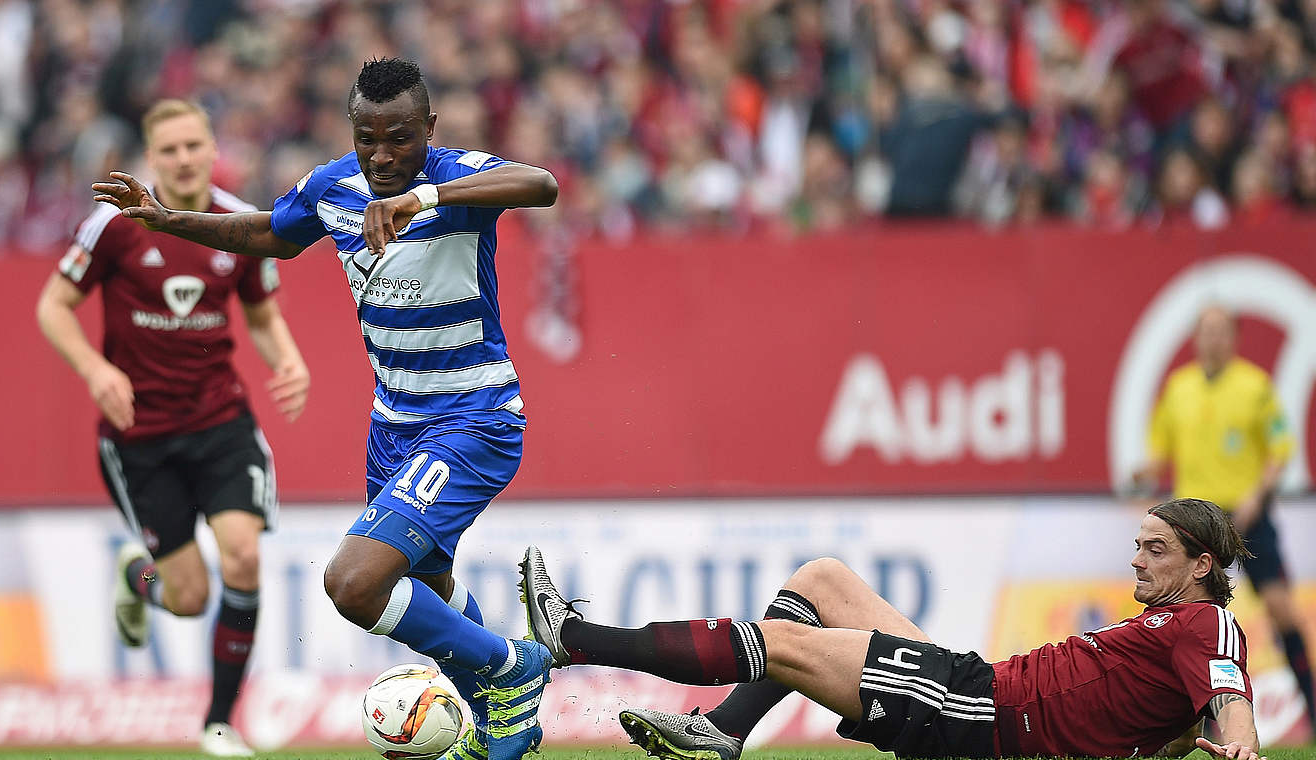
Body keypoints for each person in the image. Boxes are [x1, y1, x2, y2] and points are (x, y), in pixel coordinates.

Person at [89, 57, 558, 760]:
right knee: (426, 591)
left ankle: (510, 669)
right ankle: (502, 724)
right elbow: (269, 235)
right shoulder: (333, 186)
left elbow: (543, 184)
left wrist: (422, 200)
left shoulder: (459, 178)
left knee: (353, 581)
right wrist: (166, 220)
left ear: (429, 129)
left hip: (473, 417)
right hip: (393, 426)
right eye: (367, 138)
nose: (382, 156)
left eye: (400, 137)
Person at [520, 498, 1269, 760]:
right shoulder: (1179, 627)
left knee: (780, 643)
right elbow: (1175, 719)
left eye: (1155, 548)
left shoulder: (1206, 624)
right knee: (823, 580)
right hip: (985, 689)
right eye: (1137, 543)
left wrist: (1240, 743)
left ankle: (574, 641)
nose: (1135, 559)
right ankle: (723, 734)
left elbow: (1229, 698)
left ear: (1203, 563)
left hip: (984, 714)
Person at [35, 99, 310, 758]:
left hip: (220, 421)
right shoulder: (114, 225)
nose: (184, 159)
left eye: (194, 146)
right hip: (140, 437)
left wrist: (289, 360)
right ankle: (140, 580)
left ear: (212, 147)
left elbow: (262, 315)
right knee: (186, 597)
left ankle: (219, 722)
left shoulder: (239, 223)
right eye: (170, 150)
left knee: (243, 555)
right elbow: (54, 306)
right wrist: (95, 370)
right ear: (150, 158)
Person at [1134, 305, 1314, 729]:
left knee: (1281, 609)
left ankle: (1312, 708)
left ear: (1233, 338)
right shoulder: (1178, 388)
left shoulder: (1255, 386)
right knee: (1180, 617)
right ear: (1195, 337)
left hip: (1246, 515)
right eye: (1205, 331)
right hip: (1194, 522)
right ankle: (1185, 724)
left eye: (1221, 332)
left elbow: (1280, 449)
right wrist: (1145, 470)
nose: (1213, 340)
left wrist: (1257, 492)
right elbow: (1160, 451)